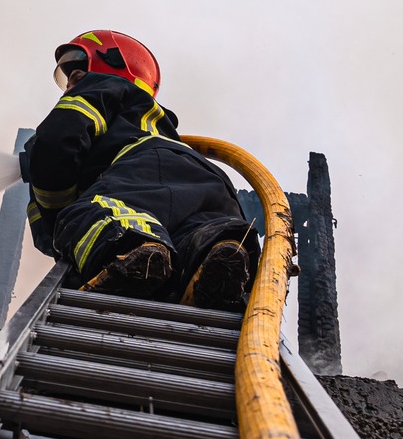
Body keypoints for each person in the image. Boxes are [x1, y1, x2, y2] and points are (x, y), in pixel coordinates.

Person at [20, 30, 258, 309]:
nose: (70, 82)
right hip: (210, 182)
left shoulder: (100, 86)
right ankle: (219, 254)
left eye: (76, 70)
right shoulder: (153, 120)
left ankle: (135, 252)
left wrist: (59, 215)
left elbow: (58, 140)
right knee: (198, 235)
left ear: (106, 65)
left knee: (90, 215)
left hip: (138, 168)